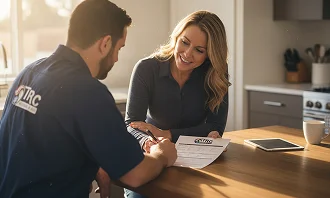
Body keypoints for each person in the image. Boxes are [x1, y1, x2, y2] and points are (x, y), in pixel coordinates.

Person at [0, 0, 177, 198]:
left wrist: (92, 164)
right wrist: (162, 155)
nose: (117, 58)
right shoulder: (88, 92)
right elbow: (136, 174)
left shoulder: (29, 73)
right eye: (118, 48)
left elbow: (43, 141)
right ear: (105, 43)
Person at [124, 10, 230, 198]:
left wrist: (166, 134)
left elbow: (215, 127)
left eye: (199, 50)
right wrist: (149, 142)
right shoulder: (147, 68)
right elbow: (131, 125)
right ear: (176, 37)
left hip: (197, 164)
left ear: (210, 54)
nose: (187, 54)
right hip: (153, 156)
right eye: (185, 42)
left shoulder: (215, 73)